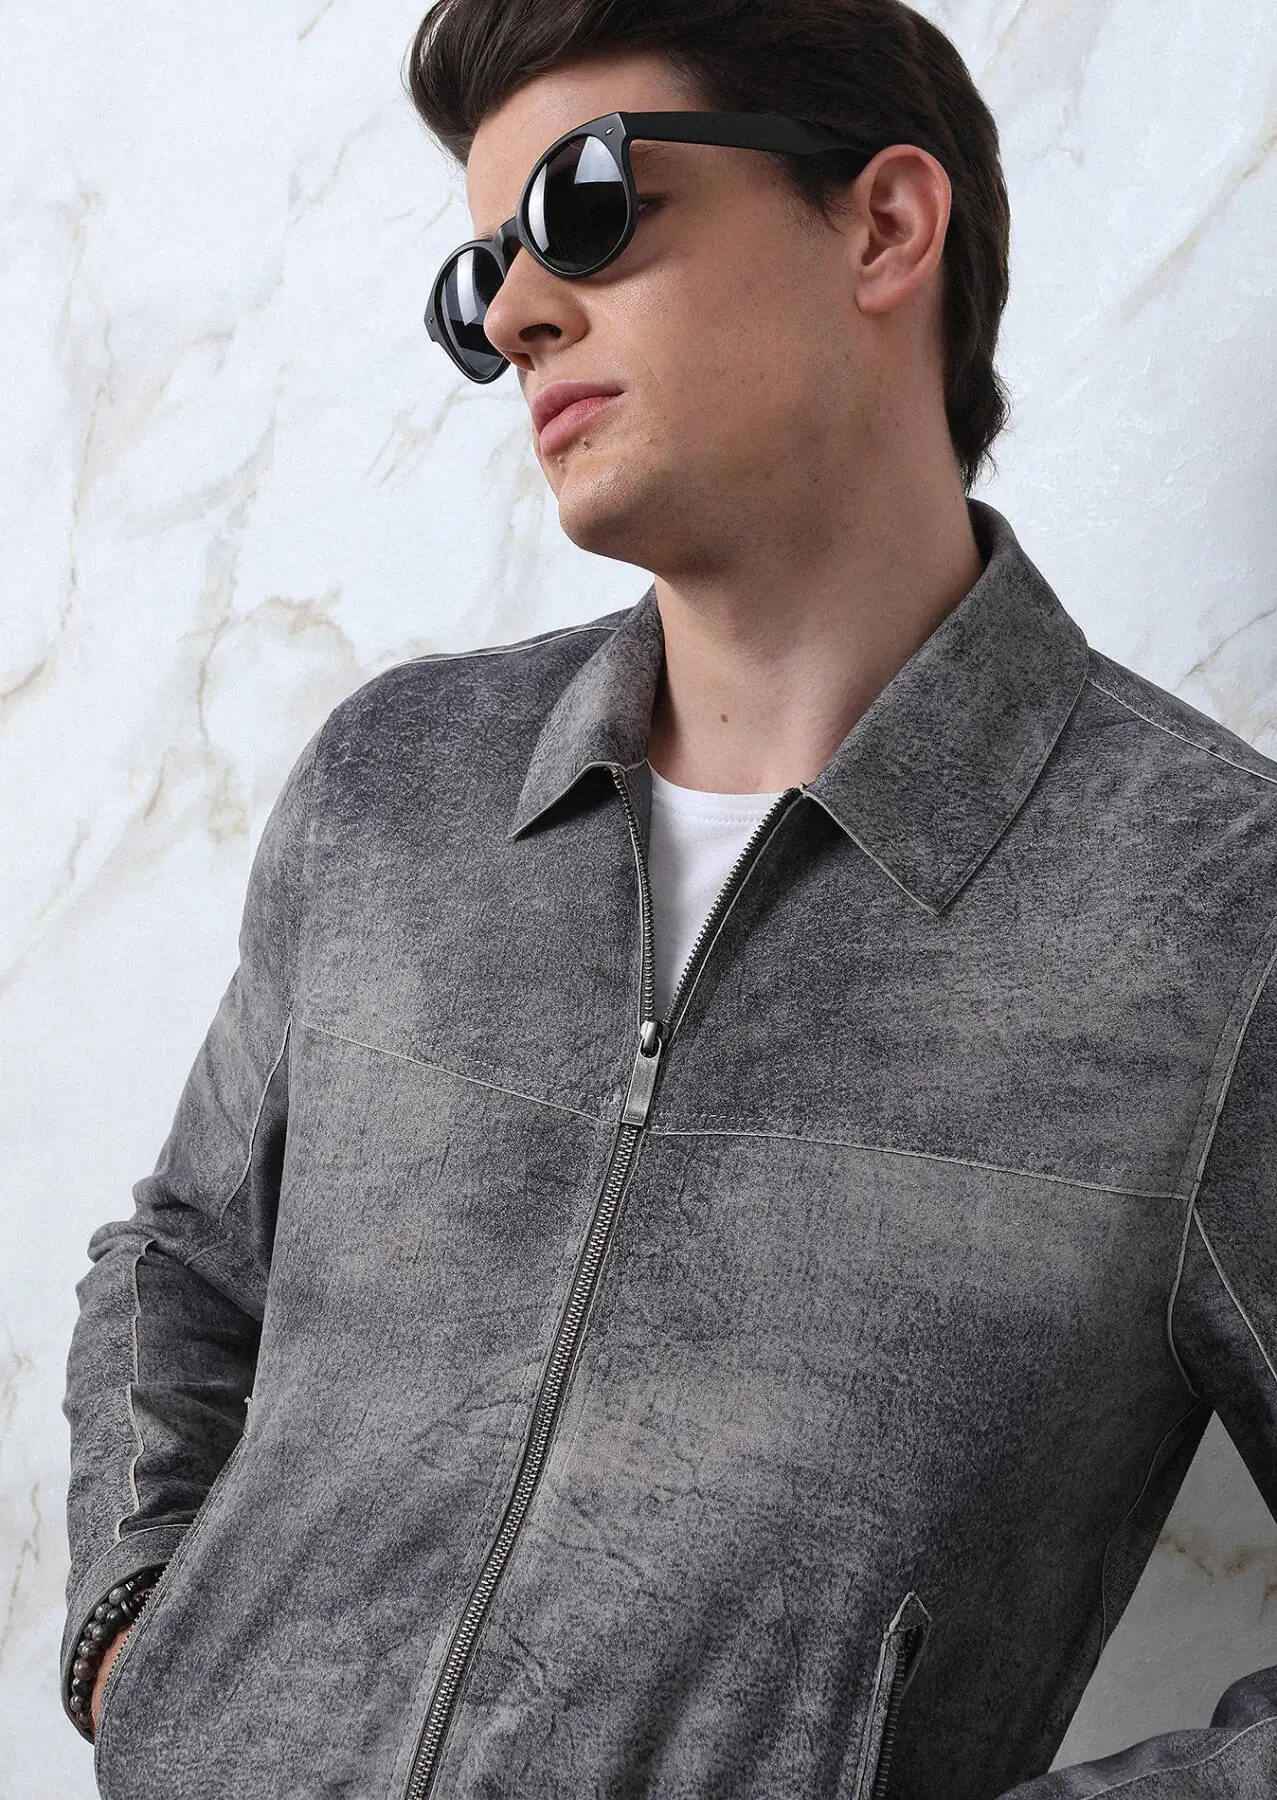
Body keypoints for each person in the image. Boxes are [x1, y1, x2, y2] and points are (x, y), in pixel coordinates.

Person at [61, 1, 1277, 1796]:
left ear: (883, 226)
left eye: (586, 205)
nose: (517, 311)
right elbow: (181, 1256)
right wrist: (144, 1645)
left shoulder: (1211, 916)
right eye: (481, 274)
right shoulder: (396, 789)